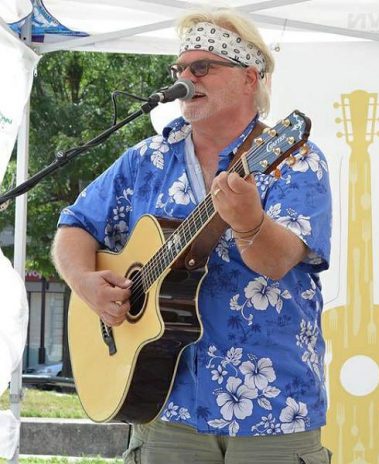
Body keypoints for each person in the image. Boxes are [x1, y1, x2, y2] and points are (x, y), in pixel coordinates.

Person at [51, 8, 332, 464]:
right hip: (167, 401)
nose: (185, 77)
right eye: (179, 68)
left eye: (202, 67)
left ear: (249, 78)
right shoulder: (146, 160)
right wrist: (85, 281)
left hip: (273, 406)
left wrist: (250, 223)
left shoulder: (294, 159)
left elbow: (277, 262)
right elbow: (75, 225)